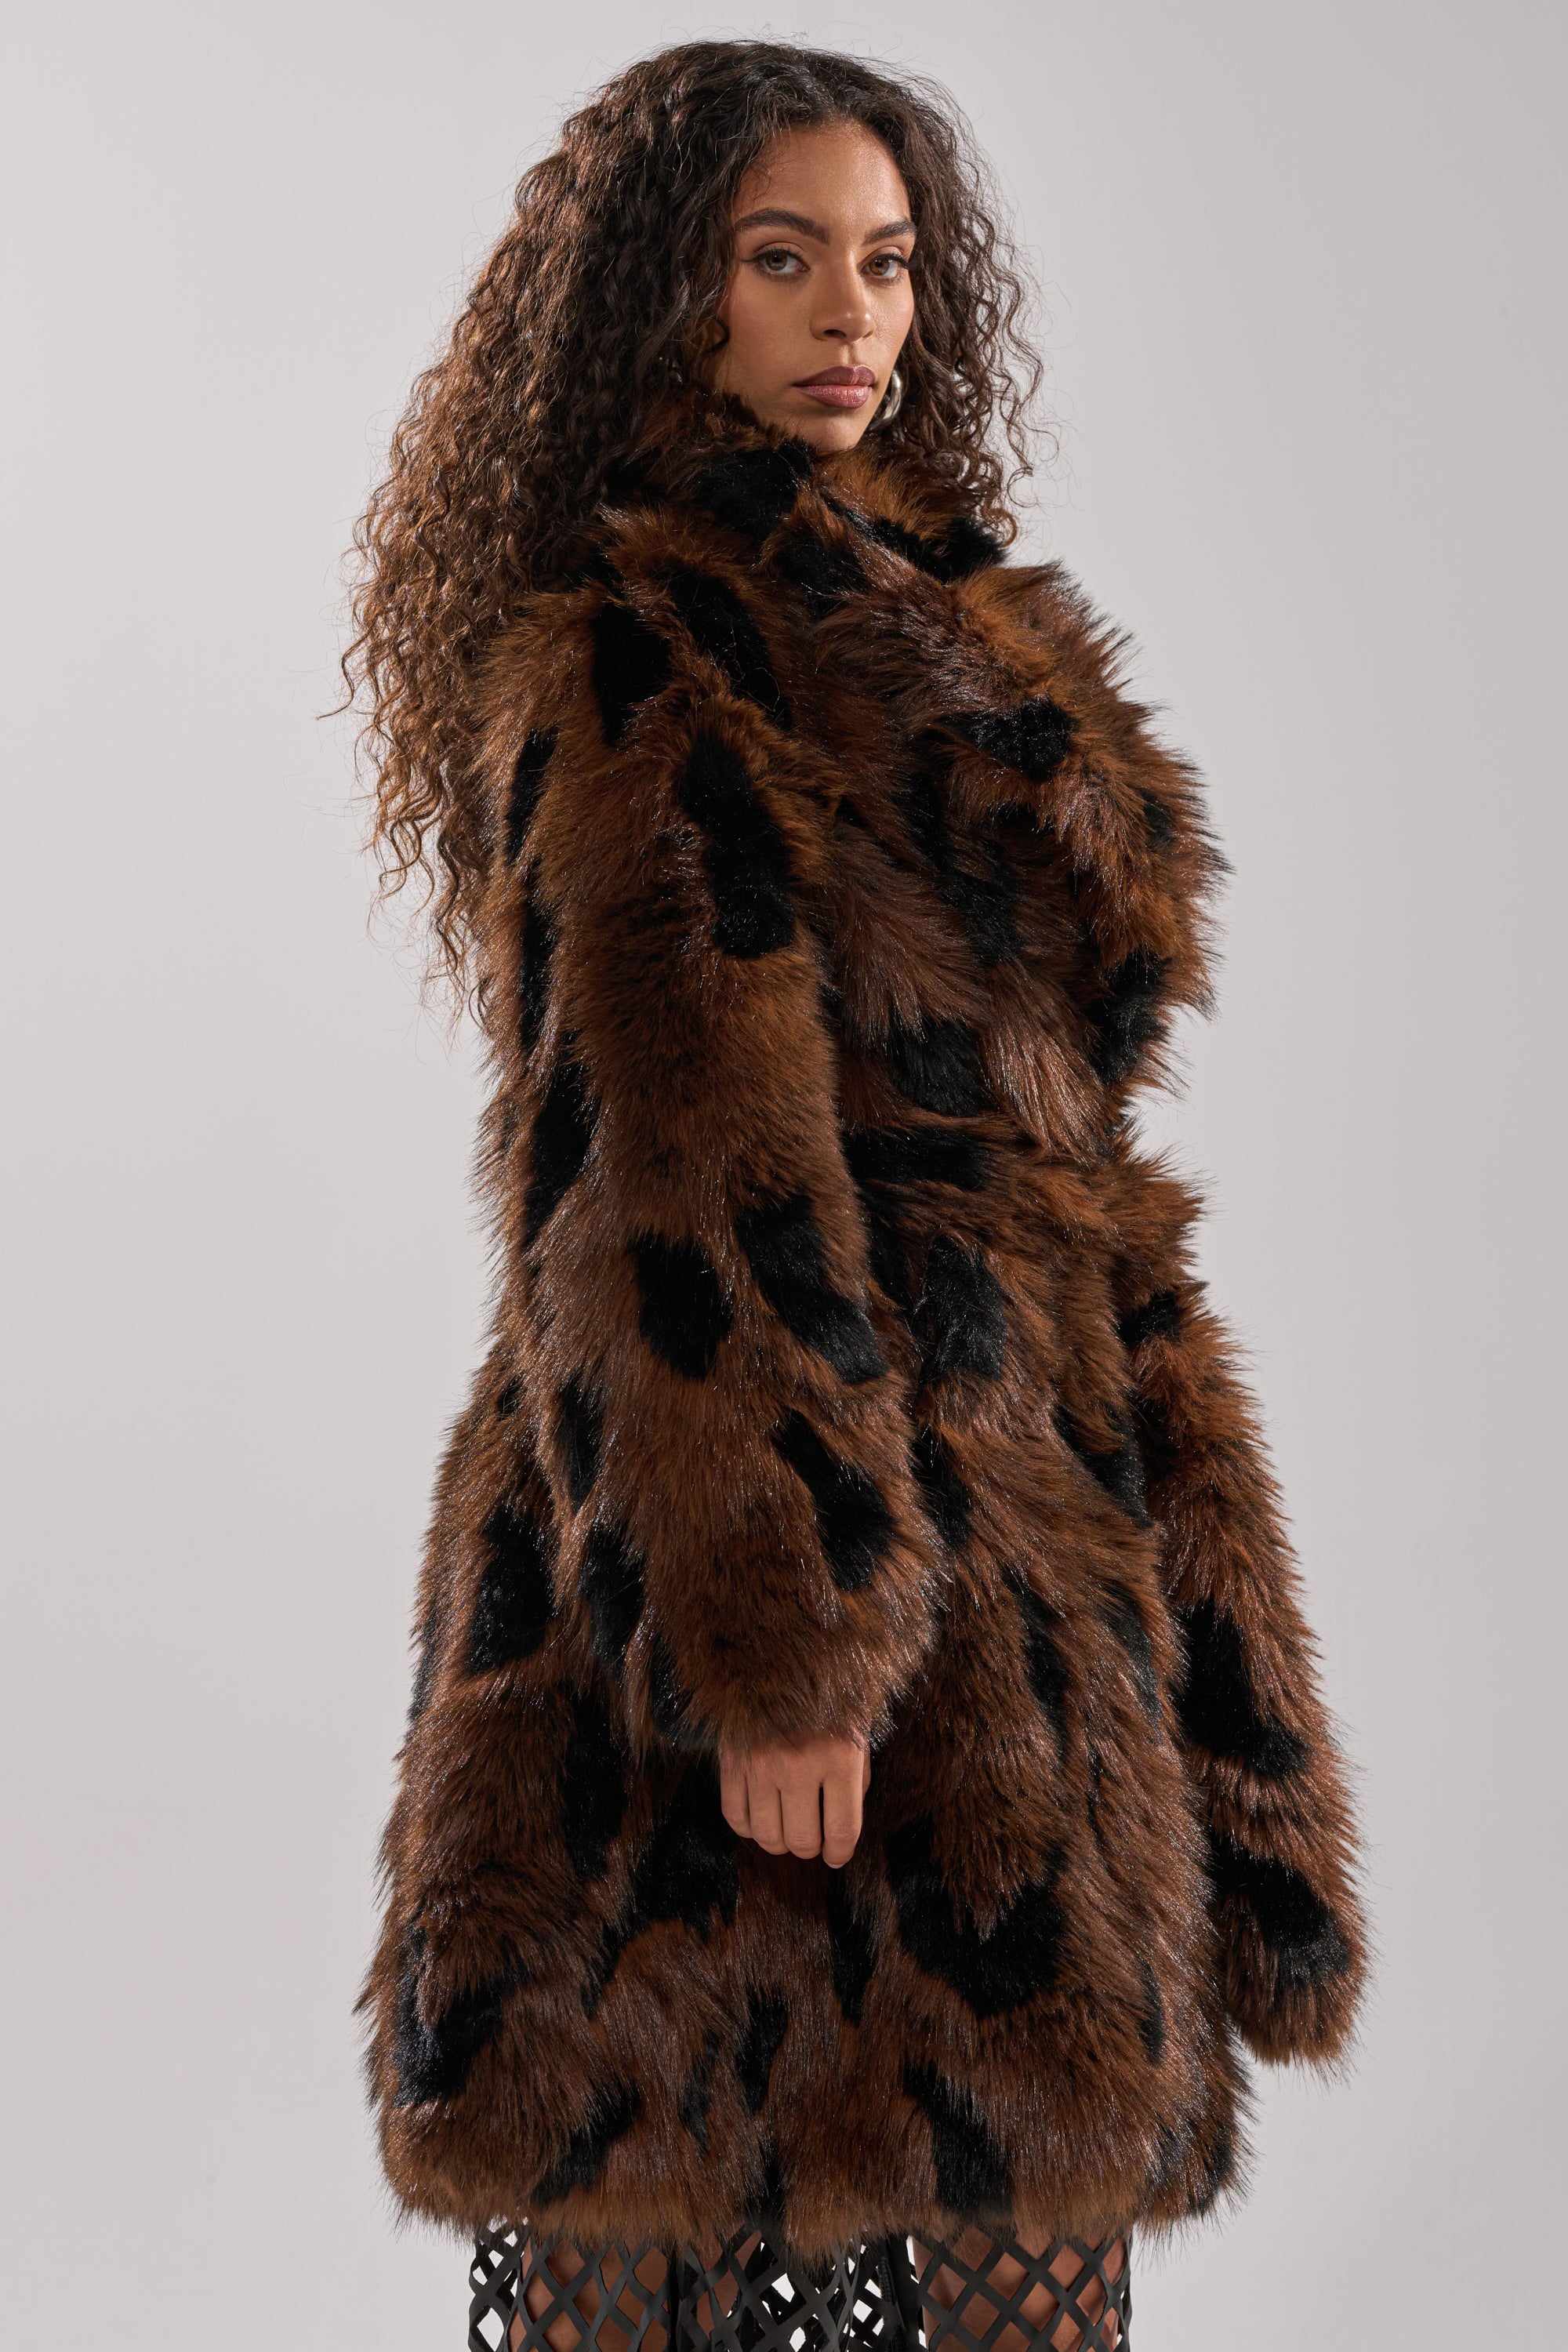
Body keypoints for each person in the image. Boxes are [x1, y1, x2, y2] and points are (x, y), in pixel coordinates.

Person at [346, 39, 1365, 2352]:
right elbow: (661, 1188)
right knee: (659, 2228)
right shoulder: (638, 653)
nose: (851, 318)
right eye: (782, 258)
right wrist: (775, 1656)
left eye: (888, 265)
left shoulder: (942, 614)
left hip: (1019, 1570)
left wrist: (1220, 1679)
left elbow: (1074, 1175)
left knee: (1026, 2237)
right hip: (735, 1568)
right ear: (666, 293)